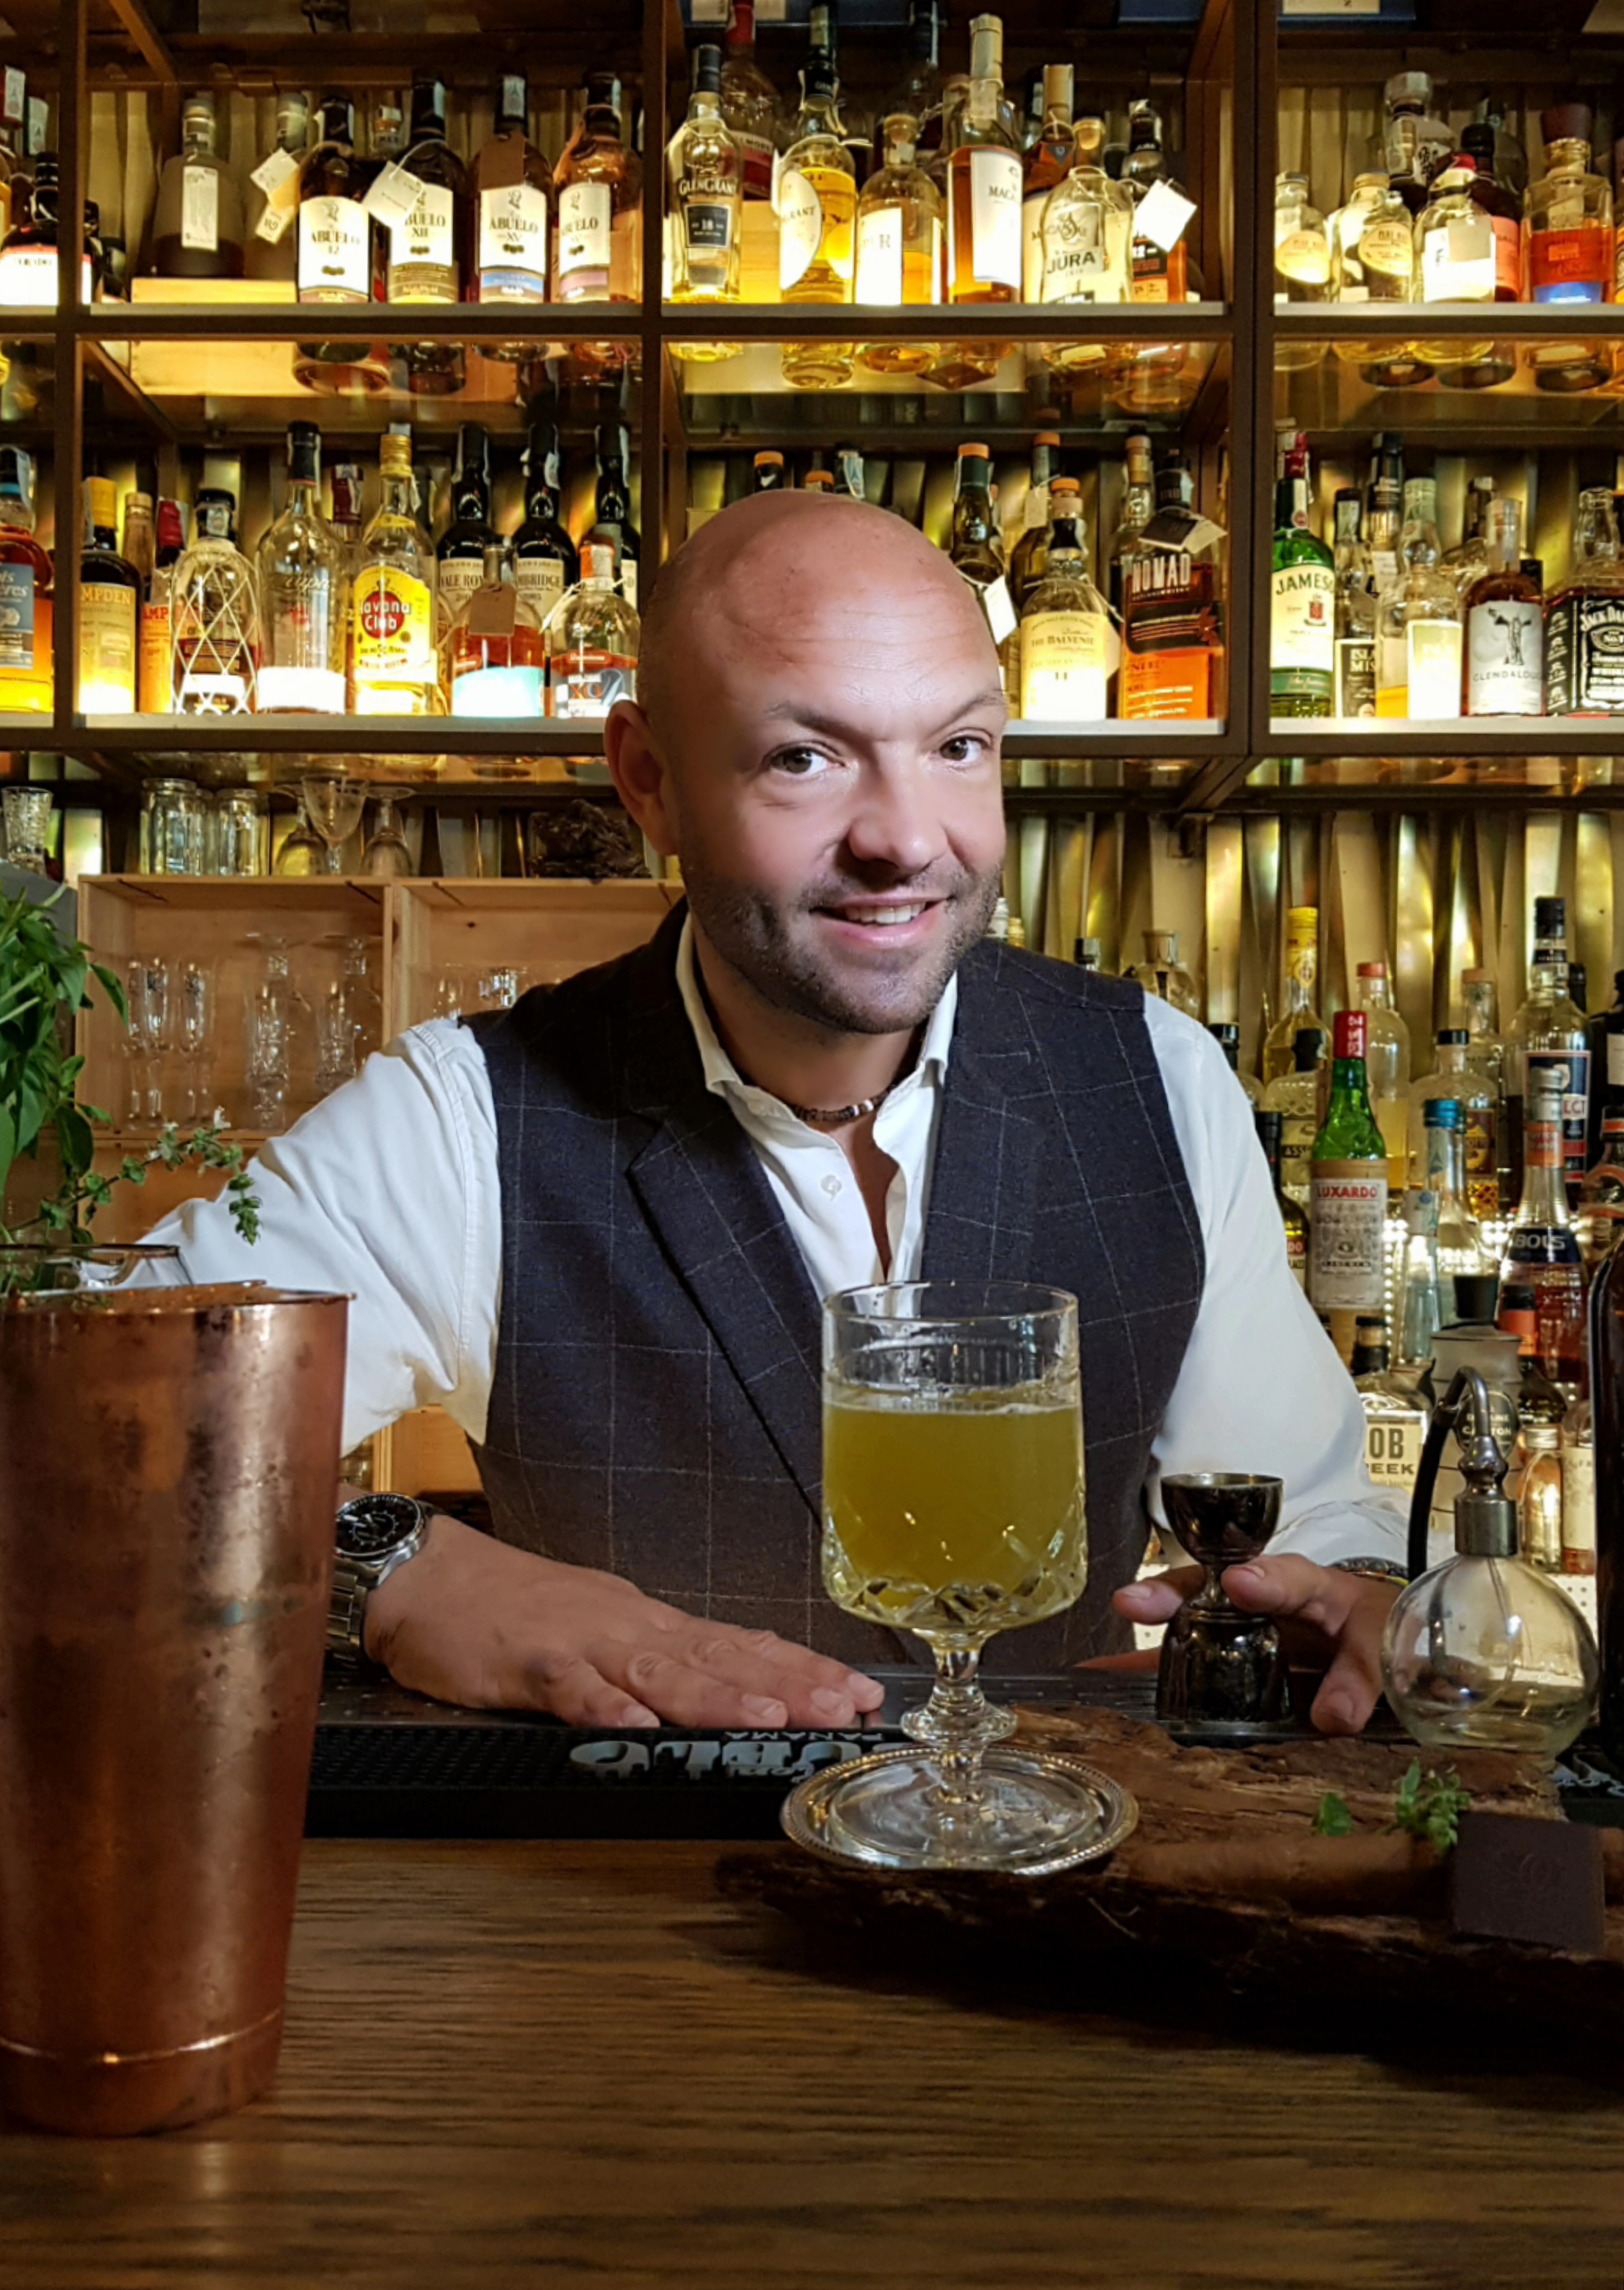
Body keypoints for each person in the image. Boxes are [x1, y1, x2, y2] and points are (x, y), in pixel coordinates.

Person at [143, 491, 1407, 1736]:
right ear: (648, 780)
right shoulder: (465, 1119)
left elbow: (1318, 1527)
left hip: (1064, 1859)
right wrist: (396, 1574)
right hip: (637, 1870)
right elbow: (89, 1441)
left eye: (958, 747)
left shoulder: (1158, 1077)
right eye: (805, 757)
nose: (905, 839)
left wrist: (1352, 1602)